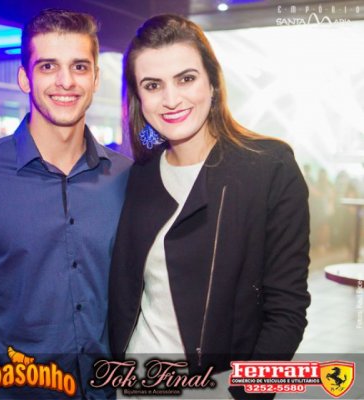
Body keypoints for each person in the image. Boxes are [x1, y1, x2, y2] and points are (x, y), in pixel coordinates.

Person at [0, 9, 131, 399]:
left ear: (96, 78)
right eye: (48, 66)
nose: (66, 81)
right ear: (24, 78)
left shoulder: (126, 178)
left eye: (79, 66)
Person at [108, 15, 310, 399]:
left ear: (213, 82)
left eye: (186, 78)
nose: (171, 99)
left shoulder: (268, 167)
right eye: (153, 85)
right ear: (138, 97)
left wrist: (246, 393)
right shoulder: (138, 176)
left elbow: (287, 308)